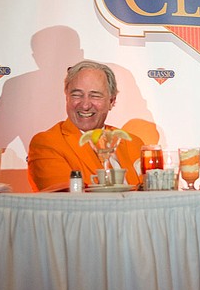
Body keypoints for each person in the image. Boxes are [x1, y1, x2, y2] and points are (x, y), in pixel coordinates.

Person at [27, 60, 145, 191]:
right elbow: (66, 201)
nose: (85, 105)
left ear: (111, 101)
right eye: (77, 95)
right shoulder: (47, 143)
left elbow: (155, 196)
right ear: (67, 98)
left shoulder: (134, 143)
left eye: (95, 96)